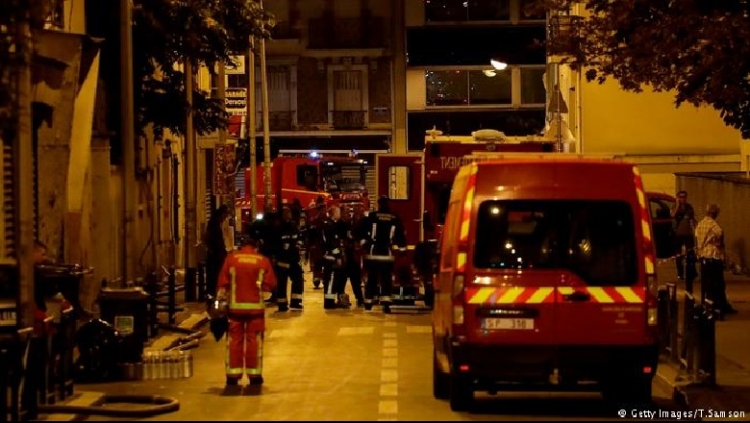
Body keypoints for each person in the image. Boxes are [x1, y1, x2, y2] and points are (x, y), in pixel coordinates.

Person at [216, 225, 277, 387]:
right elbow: (270, 285)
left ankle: (232, 376)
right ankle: (254, 375)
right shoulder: (262, 261)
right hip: (255, 310)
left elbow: (223, 285)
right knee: (253, 341)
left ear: (241, 246)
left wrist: (219, 305)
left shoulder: (231, 259)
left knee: (234, 341)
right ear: (256, 247)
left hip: (235, 310)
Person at [359, 197, 407, 313]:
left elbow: (360, 230)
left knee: (372, 278)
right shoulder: (394, 217)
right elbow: (400, 234)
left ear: (379, 204)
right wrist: (402, 249)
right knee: (386, 278)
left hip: (373, 252)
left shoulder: (372, 216)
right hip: (387, 254)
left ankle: (369, 303)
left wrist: (363, 242)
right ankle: (386, 303)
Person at [695, 204, 736, 318]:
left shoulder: (700, 224)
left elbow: (697, 238)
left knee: (706, 284)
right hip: (713, 257)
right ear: (715, 213)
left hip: (703, 257)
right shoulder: (714, 225)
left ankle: (707, 306)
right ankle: (719, 307)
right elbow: (720, 236)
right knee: (718, 283)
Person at [275, 207, 305, 312]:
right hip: (283, 260)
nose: (289, 214)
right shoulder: (278, 227)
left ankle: (296, 302)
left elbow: (300, 238)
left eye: (289, 212)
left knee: (297, 280)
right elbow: (275, 243)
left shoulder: (294, 225)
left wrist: (299, 244)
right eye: (286, 212)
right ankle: (282, 304)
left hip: (294, 259)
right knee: (282, 283)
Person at [671, 190, 697, 291]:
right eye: (681, 197)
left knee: (691, 253)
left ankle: (692, 272)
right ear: (678, 197)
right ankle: (680, 273)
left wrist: (696, 226)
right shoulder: (675, 207)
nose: (683, 199)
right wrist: (677, 205)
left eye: (684, 197)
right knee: (678, 254)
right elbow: (673, 215)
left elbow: (692, 218)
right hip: (678, 234)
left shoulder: (689, 207)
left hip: (688, 234)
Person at [204, 205, 231, 297]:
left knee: (214, 276)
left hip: (215, 254)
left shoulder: (215, 224)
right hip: (215, 255)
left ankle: (211, 293)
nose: (225, 217)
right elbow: (216, 241)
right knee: (214, 275)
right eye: (225, 215)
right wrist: (222, 253)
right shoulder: (215, 225)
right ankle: (211, 293)